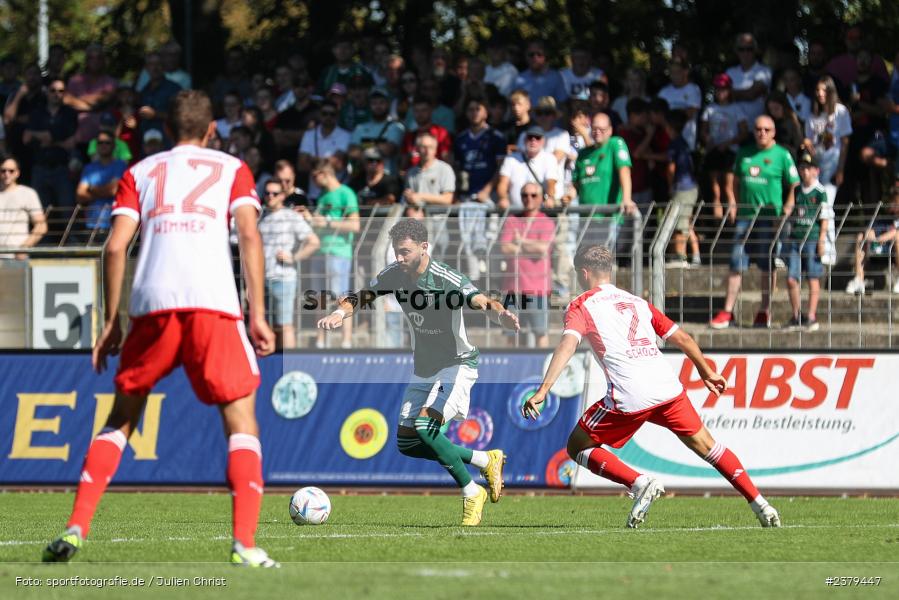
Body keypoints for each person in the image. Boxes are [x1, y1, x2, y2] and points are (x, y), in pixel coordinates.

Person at [42, 90, 279, 567]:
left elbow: (114, 248)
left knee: (121, 419)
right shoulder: (232, 168)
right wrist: (256, 313)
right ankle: (244, 544)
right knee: (240, 417)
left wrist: (112, 321)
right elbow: (250, 234)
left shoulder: (140, 171)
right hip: (212, 301)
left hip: (151, 303)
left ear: (168, 131)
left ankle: (76, 525)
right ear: (212, 129)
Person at [522, 244, 781, 529]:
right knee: (710, 447)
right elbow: (681, 337)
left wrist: (543, 390)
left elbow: (568, 345)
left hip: (630, 395)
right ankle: (760, 503)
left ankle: (639, 482)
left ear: (584, 273)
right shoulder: (637, 302)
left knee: (577, 446)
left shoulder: (581, 305)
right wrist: (706, 370)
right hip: (667, 388)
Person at [317, 218, 518, 525]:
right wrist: (338, 313)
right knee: (409, 443)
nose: (399, 257)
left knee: (426, 427)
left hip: (457, 365)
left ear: (425, 248)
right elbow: (362, 296)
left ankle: (471, 491)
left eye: (405, 251)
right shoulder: (395, 274)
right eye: (396, 251)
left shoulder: (444, 277)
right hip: (423, 370)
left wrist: (501, 314)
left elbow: (479, 300)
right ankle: (484, 459)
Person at [709, 115, 800, 329]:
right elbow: (734, 178)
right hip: (746, 217)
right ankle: (728, 312)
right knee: (736, 263)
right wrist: (732, 200)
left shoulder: (782, 154)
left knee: (767, 265)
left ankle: (764, 311)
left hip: (769, 219)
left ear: (774, 132)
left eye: (767, 129)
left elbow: (795, 184)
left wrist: (788, 207)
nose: (762, 133)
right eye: (758, 129)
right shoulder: (744, 152)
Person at [259, 178, 320, 349]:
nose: (270, 196)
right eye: (267, 193)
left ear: (282, 196)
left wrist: (293, 257)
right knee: (268, 326)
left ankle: (288, 365)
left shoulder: (291, 216)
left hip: (283, 278)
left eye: (275, 193)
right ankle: (271, 366)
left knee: (285, 325)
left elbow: (313, 241)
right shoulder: (261, 217)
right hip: (262, 278)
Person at [307, 159, 360, 349]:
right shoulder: (322, 196)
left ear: (325, 173)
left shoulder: (346, 193)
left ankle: (346, 341)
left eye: (315, 176)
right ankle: (321, 341)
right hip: (320, 252)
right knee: (319, 298)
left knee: (342, 297)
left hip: (339, 252)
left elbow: (355, 224)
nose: (313, 181)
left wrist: (327, 223)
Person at [564, 112, 637, 248]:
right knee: (587, 263)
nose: (597, 132)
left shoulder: (615, 143)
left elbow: (624, 171)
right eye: (594, 128)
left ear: (610, 130)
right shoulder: (583, 153)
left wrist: (626, 198)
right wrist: (569, 195)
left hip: (608, 217)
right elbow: (576, 184)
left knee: (603, 262)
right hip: (586, 218)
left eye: (602, 129)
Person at [499, 182, 554, 347]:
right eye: (524, 195)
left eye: (533, 195)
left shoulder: (546, 222)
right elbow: (504, 248)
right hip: (512, 288)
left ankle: (544, 371)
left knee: (540, 334)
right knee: (511, 336)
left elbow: (543, 249)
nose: (528, 199)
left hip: (538, 288)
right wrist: (531, 247)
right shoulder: (512, 220)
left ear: (540, 198)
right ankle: (511, 372)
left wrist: (520, 241)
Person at [785, 153, 830, 330]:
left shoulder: (820, 192)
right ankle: (796, 315)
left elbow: (824, 217)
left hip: (812, 238)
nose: (804, 172)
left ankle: (811, 315)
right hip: (796, 237)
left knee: (813, 277)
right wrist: (792, 188)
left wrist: (821, 240)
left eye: (808, 168)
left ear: (815, 171)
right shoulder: (796, 190)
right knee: (791, 278)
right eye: (802, 168)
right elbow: (788, 209)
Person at [23, 77, 78, 209]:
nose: (56, 94)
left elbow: (71, 142)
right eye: (53, 90)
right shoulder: (37, 113)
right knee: (39, 212)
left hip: (63, 168)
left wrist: (46, 137)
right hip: (39, 168)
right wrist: (52, 137)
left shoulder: (70, 113)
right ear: (47, 92)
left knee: (67, 211)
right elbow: (26, 138)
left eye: (60, 91)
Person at [701, 73, 748, 220]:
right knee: (715, 190)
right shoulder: (710, 109)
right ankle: (717, 226)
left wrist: (728, 143)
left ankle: (732, 224)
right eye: (718, 89)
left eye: (724, 89)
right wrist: (707, 139)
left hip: (730, 151)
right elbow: (703, 130)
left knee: (729, 188)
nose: (721, 92)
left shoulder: (736, 108)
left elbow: (744, 131)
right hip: (714, 151)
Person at [75, 129, 127, 242]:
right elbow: (80, 196)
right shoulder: (89, 168)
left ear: (113, 145)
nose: (103, 145)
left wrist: (92, 189)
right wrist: (105, 191)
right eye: (100, 142)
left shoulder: (121, 165)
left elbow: (113, 190)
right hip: (92, 224)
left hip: (113, 224)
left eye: (107, 142)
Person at [845, 188, 899, 295]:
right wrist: (870, 234)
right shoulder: (885, 218)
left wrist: (889, 235)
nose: (894, 204)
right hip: (881, 248)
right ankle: (859, 279)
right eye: (894, 201)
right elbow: (871, 230)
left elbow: (895, 233)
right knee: (861, 237)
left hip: (895, 248)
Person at [453, 96, 506, 202]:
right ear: (466, 113)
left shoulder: (496, 137)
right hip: (466, 196)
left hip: (490, 196)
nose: (474, 113)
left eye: (478, 109)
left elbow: (501, 168)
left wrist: (487, 190)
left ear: (486, 113)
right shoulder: (460, 139)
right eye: (471, 110)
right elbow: (457, 168)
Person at [665, 110, 701, 267]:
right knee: (686, 222)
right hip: (691, 187)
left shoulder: (674, 144)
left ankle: (680, 257)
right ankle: (696, 256)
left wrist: (670, 186)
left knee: (680, 224)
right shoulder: (684, 142)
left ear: (669, 127)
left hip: (682, 188)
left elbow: (671, 168)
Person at [803, 77, 851, 188]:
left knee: (826, 200)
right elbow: (809, 138)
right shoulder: (812, 114)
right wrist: (806, 141)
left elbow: (845, 142)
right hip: (814, 162)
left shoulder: (841, 111)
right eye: (817, 90)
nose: (820, 94)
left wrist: (840, 169)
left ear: (831, 92)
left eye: (824, 90)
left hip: (833, 160)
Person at [297, 100, 350, 202]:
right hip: (314, 194)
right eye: (324, 113)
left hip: (337, 193)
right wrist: (327, 161)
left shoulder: (345, 136)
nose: (328, 117)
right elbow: (301, 165)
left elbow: (338, 165)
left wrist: (312, 160)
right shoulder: (309, 135)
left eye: (332, 114)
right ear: (319, 115)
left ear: (337, 116)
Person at [497, 125, 559, 210]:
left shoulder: (550, 159)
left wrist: (550, 198)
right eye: (530, 137)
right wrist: (503, 198)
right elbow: (503, 183)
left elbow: (551, 183)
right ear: (524, 139)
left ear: (543, 141)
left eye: (537, 137)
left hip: (540, 212)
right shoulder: (511, 158)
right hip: (515, 212)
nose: (533, 140)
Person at [0, 155, 46, 257]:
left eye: (11, 171)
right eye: (3, 171)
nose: (7, 174)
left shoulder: (27, 193)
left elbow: (41, 226)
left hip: (16, 258)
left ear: (17, 173)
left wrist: (24, 248)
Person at [725, 33, 772, 123]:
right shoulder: (729, 72)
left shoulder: (764, 71)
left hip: (757, 129)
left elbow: (751, 94)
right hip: (733, 128)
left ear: (755, 50)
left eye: (749, 49)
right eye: (741, 49)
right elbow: (723, 97)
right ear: (736, 51)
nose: (745, 53)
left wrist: (732, 93)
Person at [656, 59, 702, 149]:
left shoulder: (693, 89)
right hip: (665, 142)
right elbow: (656, 114)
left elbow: (690, 113)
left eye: (678, 72)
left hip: (686, 142)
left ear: (686, 72)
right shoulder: (663, 92)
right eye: (672, 72)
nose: (674, 76)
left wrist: (669, 116)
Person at [513, 40, 567, 105]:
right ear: (526, 56)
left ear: (545, 56)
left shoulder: (555, 77)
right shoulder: (520, 78)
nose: (535, 57)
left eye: (539, 54)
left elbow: (563, 104)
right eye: (531, 55)